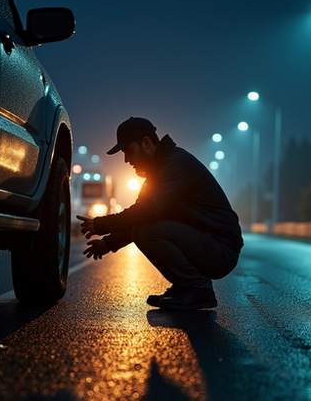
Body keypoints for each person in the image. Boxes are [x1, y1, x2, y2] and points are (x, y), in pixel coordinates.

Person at [77, 117, 243, 310]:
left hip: (220, 249)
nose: (126, 159)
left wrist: (101, 224)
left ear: (146, 143)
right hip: (209, 244)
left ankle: (198, 289)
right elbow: (145, 214)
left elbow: (148, 211)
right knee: (145, 228)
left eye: (128, 151)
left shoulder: (175, 165)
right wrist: (108, 242)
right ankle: (185, 286)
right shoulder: (159, 171)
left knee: (145, 232)